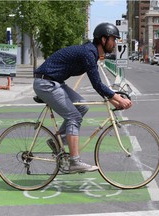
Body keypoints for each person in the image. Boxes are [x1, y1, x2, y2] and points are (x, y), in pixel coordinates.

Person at [33, 23, 132, 173]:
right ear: (103, 39)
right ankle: (74, 162)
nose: (115, 43)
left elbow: (98, 85)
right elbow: (97, 84)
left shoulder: (91, 53)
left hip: (55, 82)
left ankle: (57, 142)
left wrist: (113, 99)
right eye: (113, 39)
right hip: (46, 83)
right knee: (74, 117)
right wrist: (118, 98)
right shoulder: (88, 53)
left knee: (82, 106)